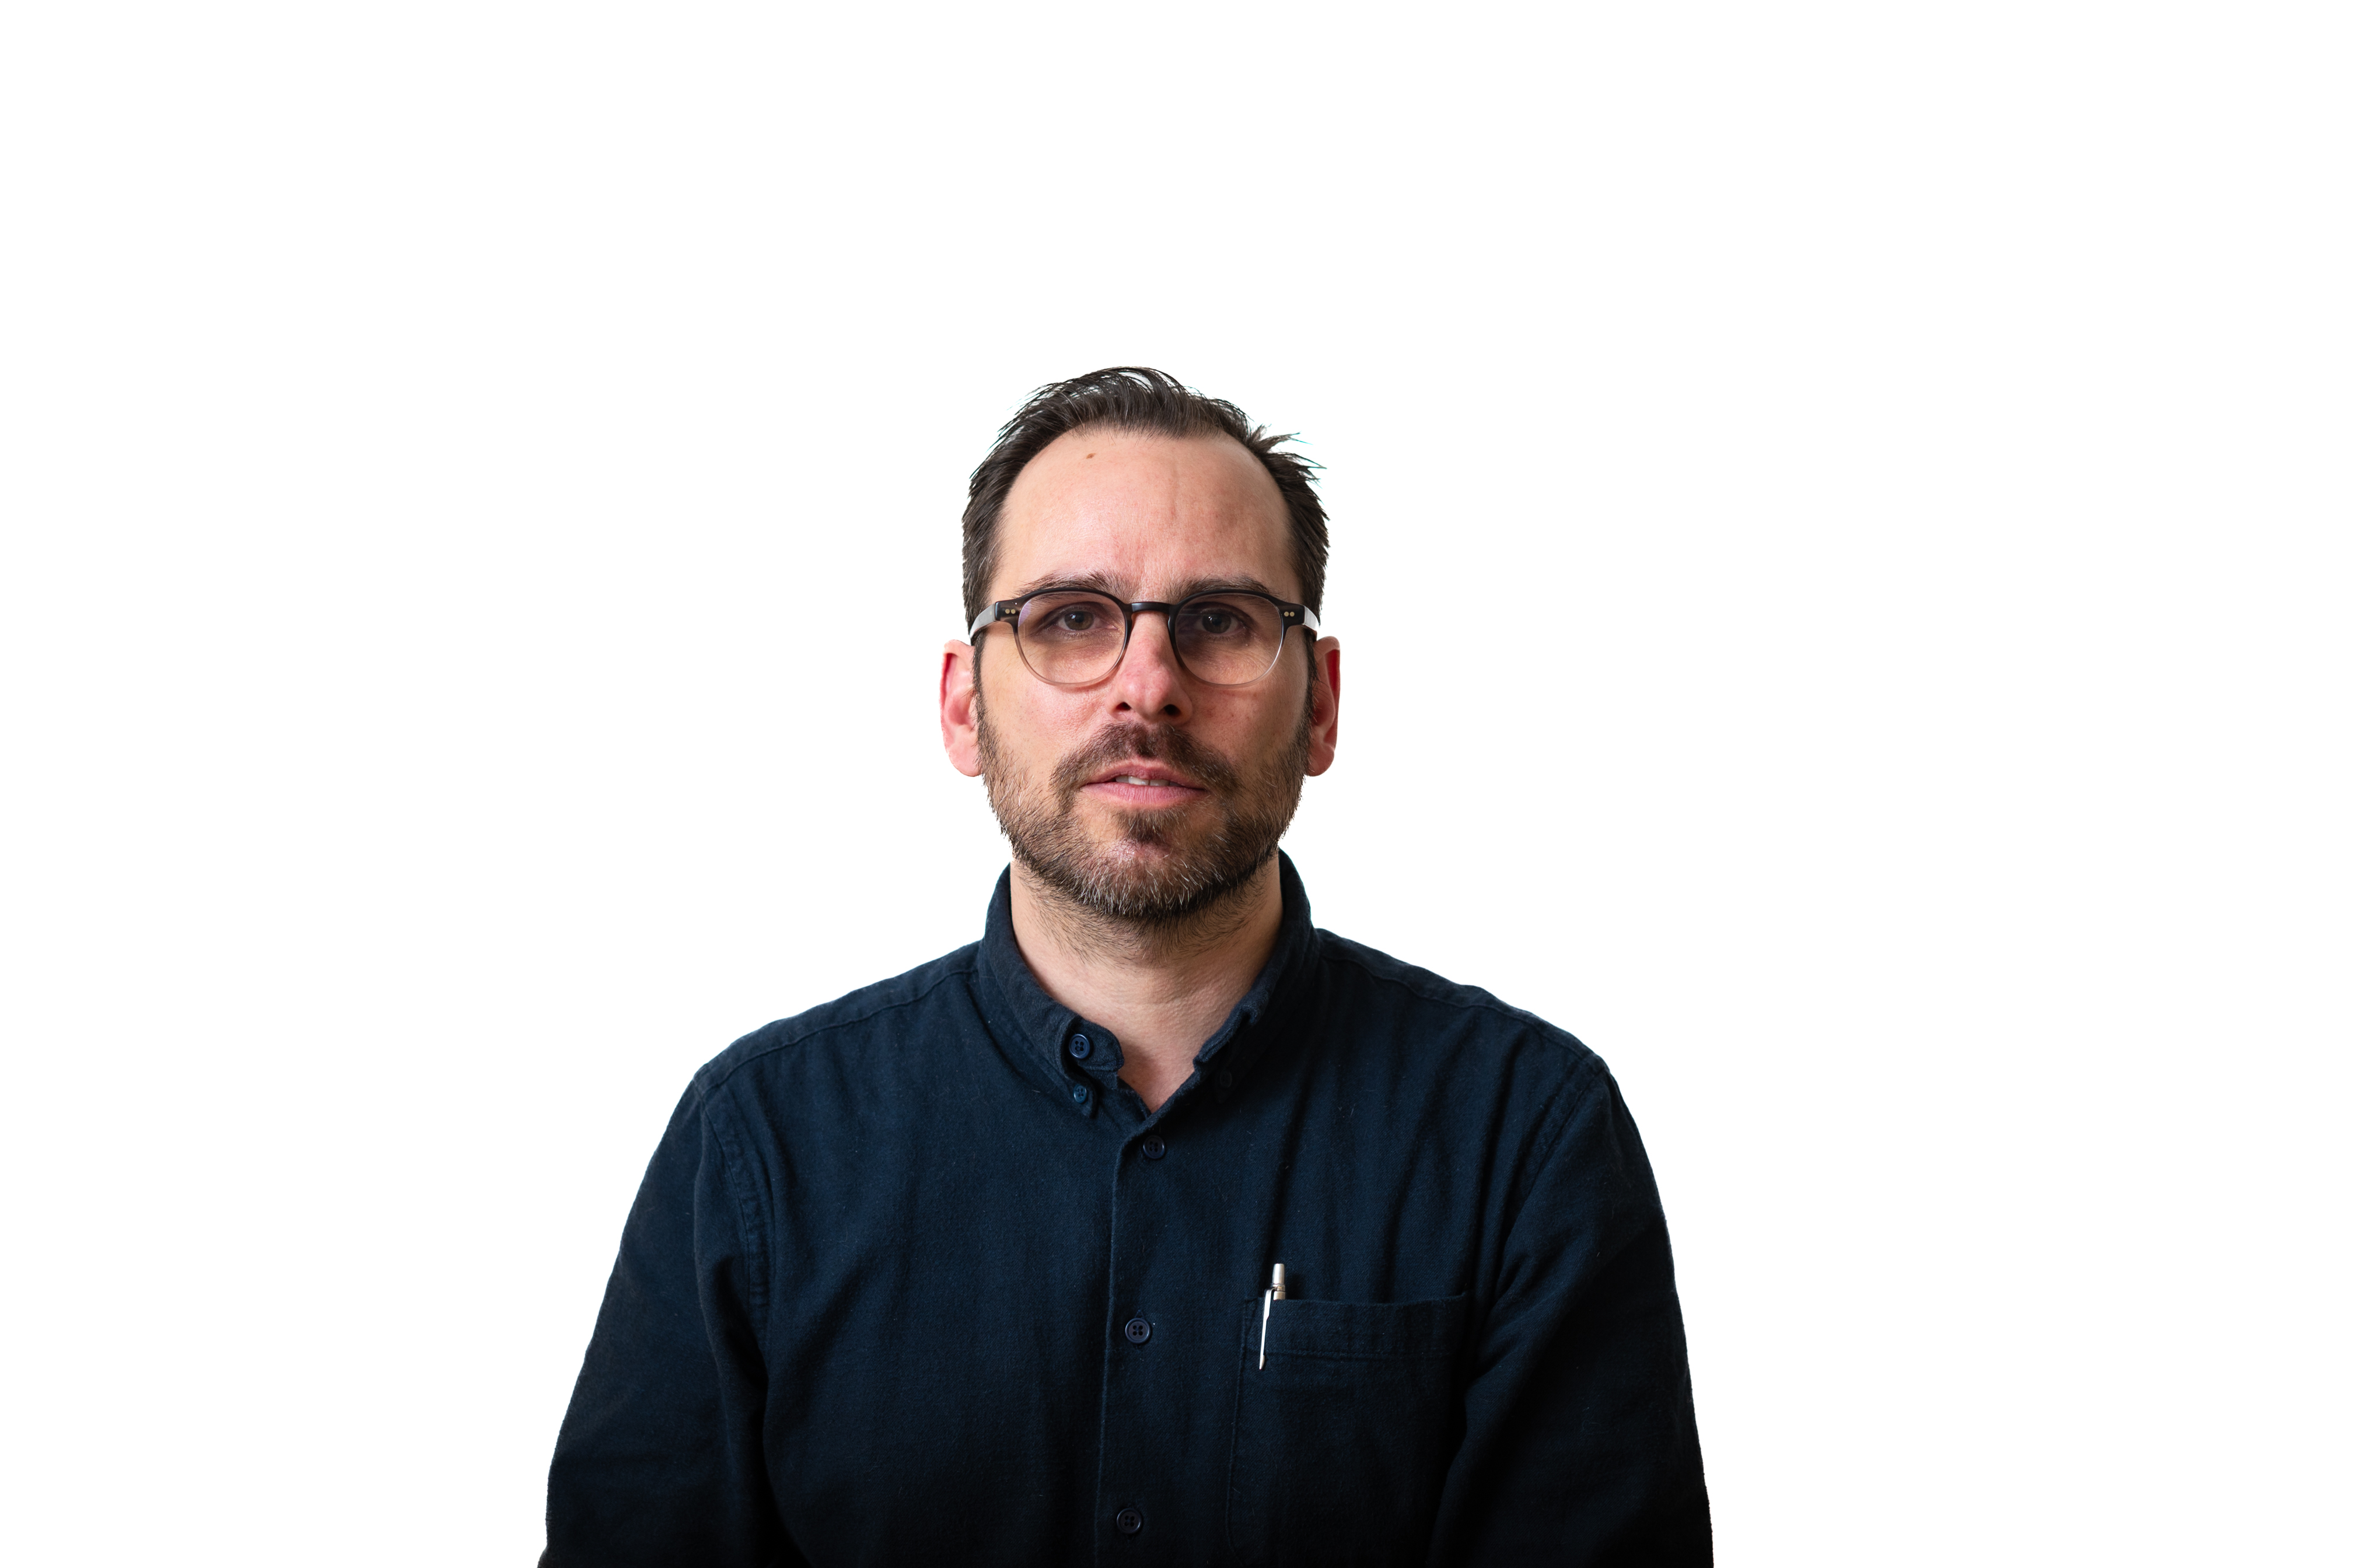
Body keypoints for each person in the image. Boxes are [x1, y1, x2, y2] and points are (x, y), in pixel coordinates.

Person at [542, 367, 1711, 1566]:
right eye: (1068, 619)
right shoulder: (758, 1149)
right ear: (964, 707)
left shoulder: (1526, 1136)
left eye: (1221, 621)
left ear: (1320, 705)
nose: (1147, 687)